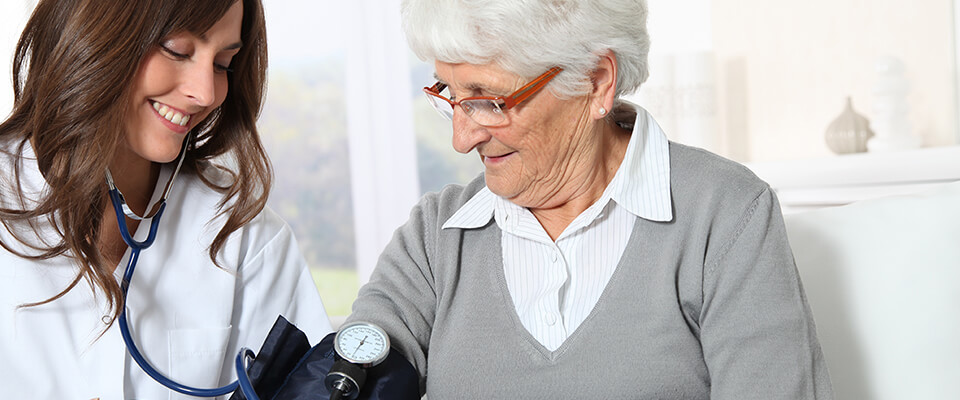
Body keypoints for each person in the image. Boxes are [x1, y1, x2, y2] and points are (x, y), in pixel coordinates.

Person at [343, 0, 834, 398]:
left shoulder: (724, 215)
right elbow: (346, 372)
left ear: (597, 81)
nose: (462, 138)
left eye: (488, 100)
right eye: (448, 93)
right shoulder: (437, 236)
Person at [0, 0, 331, 398]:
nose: (205, 92)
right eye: (178, 50)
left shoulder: (244, 237)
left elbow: (311, 385)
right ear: (95, 31)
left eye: (223, 63)